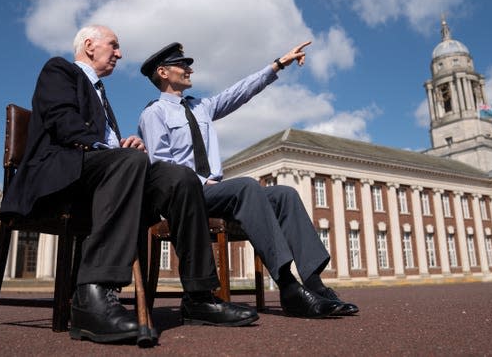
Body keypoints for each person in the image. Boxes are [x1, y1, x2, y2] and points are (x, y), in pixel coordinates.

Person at [0, 25, 258, 344]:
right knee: (129, 161)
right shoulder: (60, 70)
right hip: (60, 176)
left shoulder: (103, 94)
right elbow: (63, 123)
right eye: (114, 45)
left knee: (180, 177)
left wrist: (123, 145)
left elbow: (102, 146)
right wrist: (116, 152)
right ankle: (91, 297)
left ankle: (199, 296)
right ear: (90, 46)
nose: (120, 53)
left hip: (103, 173)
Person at [138, 42, 359, 318]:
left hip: (215, 194)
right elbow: (162, 166)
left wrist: (278, 65)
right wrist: (202, 182)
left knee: (284, 195)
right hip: (187, 198)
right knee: (245, 186)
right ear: (163, 72)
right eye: (182, 65)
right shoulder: (153, 114)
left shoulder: (201, 107)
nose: (189, 69)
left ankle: (314, 284)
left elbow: (240, 92)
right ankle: (288, 287)